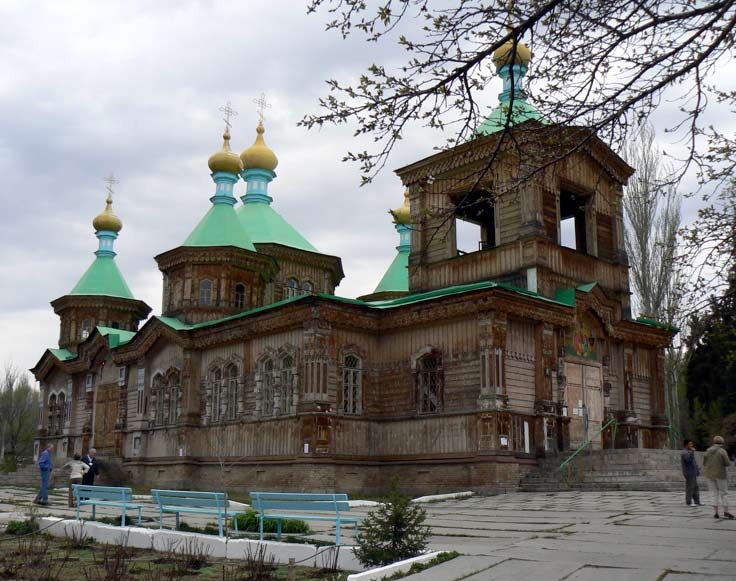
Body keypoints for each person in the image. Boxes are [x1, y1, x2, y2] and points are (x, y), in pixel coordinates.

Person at [703, 435, 734, 519]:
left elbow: (704, 463)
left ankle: (716, 513)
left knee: (713, 493)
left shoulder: (707, 451)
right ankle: (726, 511)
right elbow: (727, 463)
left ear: (714, 442)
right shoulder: (722, 451)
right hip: (720, 474)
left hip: (710, 475)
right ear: (722, 443)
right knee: (724, 493)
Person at [681, 440, 702, 507]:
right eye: (690, 444)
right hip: (689, 472)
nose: (691, 445)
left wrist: (697, 470)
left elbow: (694, 462)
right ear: (686, 445)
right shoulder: (684, 452)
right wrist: (692, 452)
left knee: (695, 487)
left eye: (692, 444)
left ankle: (697, 501)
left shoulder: (689, 452)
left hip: (693, 471)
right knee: (690, 487)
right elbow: (688, 461)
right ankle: (689, 502)